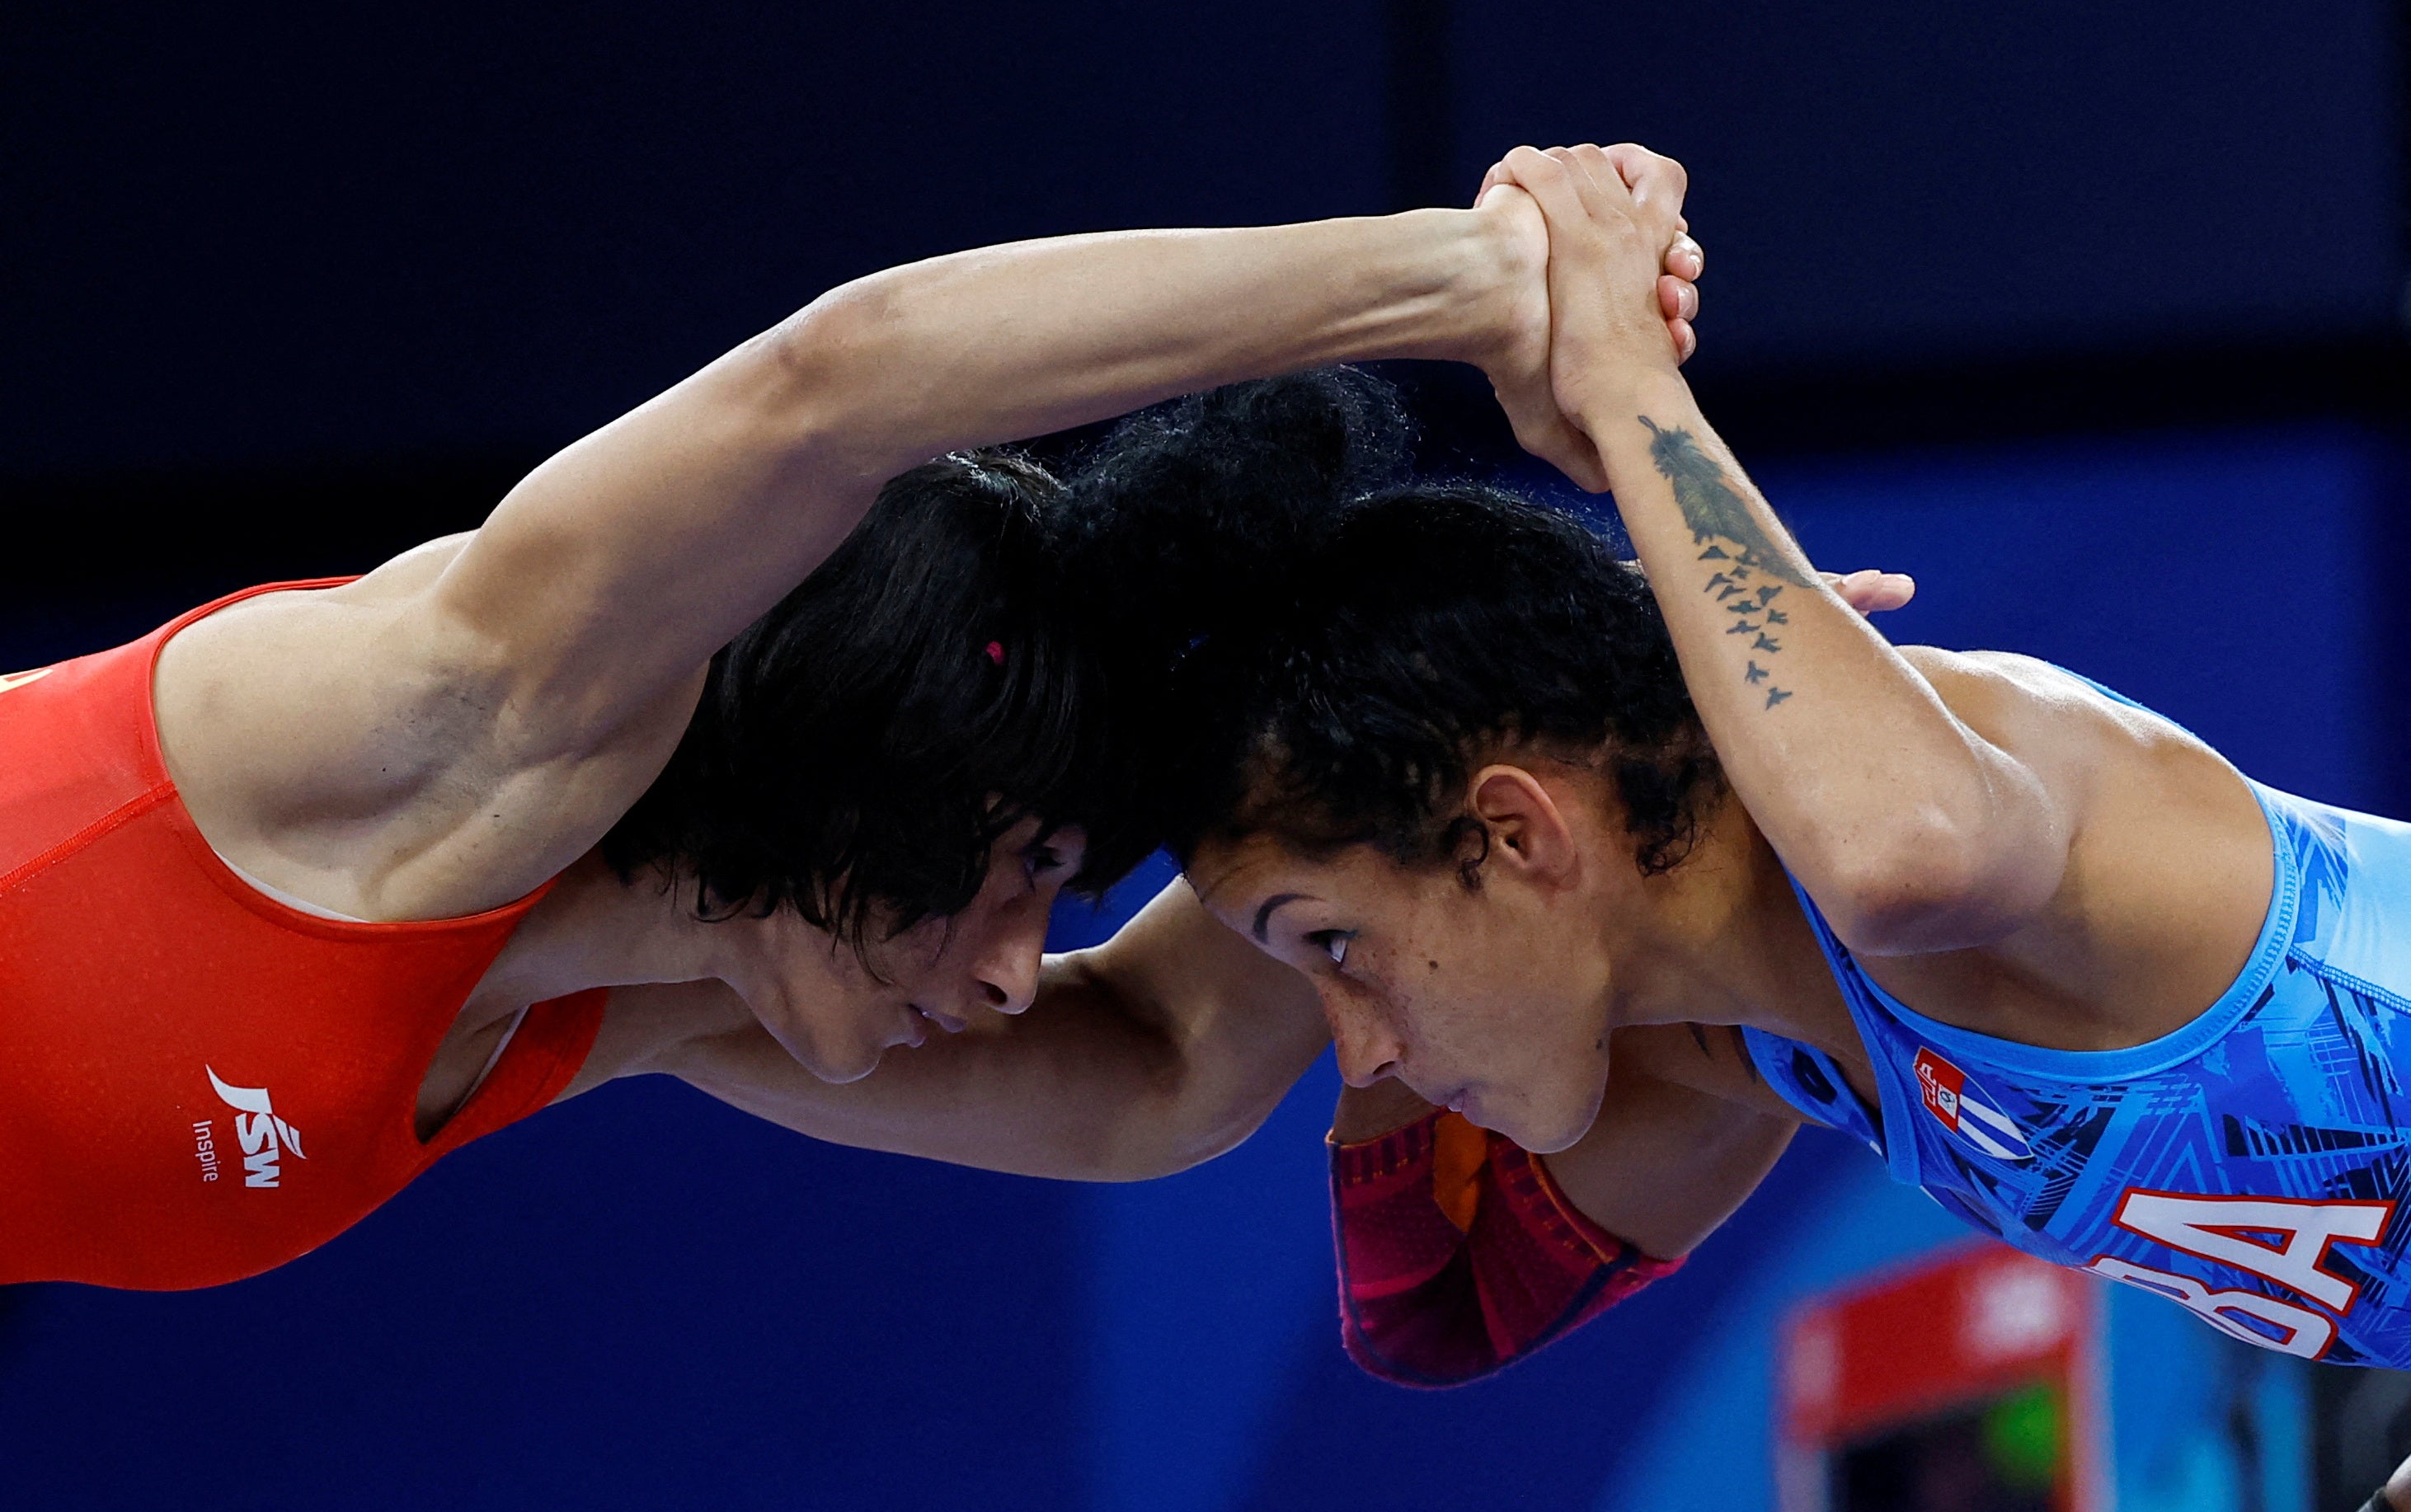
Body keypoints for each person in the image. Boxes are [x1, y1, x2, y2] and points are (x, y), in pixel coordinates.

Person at [0, 171, 1711, 1289]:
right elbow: (842, 382)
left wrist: (1612, 709)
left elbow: (1158, 1076)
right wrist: (1483, 279)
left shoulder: (637, 996)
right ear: (883, 761)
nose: (1002, 971)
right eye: (1022, 866)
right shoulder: (440, 724)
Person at [1143, 141, 2411, 1463]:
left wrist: (1624, 376)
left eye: (1336, 946)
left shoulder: (1936, 804)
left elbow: (1895, 856)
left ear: (1516, 830)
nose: (1356, 1049)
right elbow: (1429, 1318)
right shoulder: (1753, 1039)